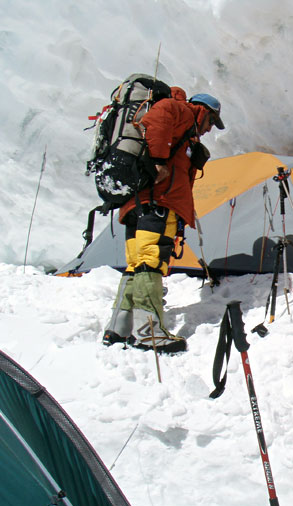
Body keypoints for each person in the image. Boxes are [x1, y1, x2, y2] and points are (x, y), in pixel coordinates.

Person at [102, 88, 225, 353]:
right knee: (151, 261)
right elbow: (159, 117)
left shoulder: (185, 129)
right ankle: (150, 332)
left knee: (137, 264)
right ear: (203, 110)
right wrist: (158, 160)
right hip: (158, 202)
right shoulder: (180, 110)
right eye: (211, 121)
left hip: (140, 203)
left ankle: (119, 328)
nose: (209, 129)